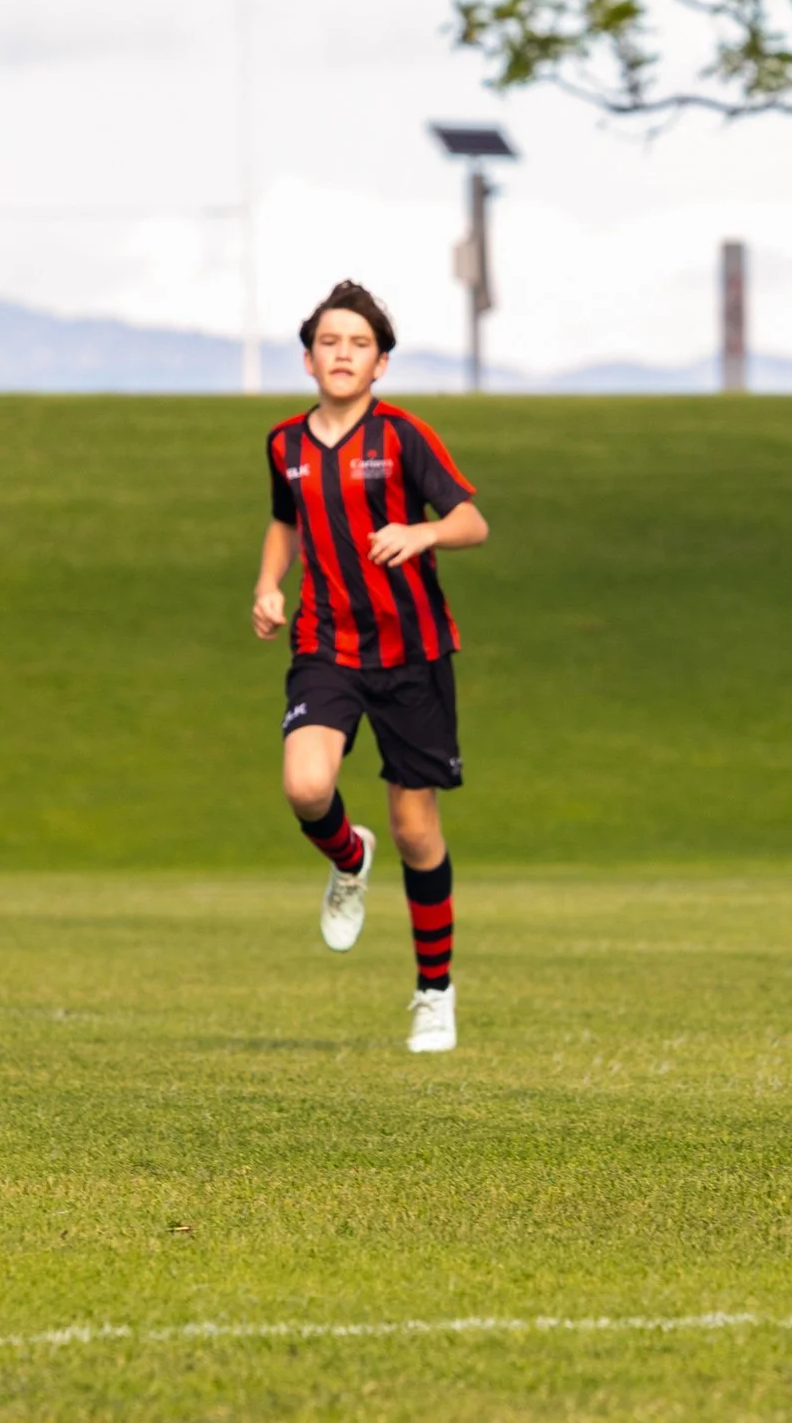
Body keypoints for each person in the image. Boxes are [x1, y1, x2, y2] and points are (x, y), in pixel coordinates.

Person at [252, 281, 489, 1053]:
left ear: (380, 362)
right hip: (326, 644)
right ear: (309, 356)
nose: (342, 353)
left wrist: (422, 536)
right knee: (305, 784)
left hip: (412, 653)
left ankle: (434, 992)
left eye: (358, 343)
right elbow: (286, 520)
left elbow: (471, 520)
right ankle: (348, 860)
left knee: (416, 827)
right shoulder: (284, 443)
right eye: (329, 341)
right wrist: (267, 585)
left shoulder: (403, 437)